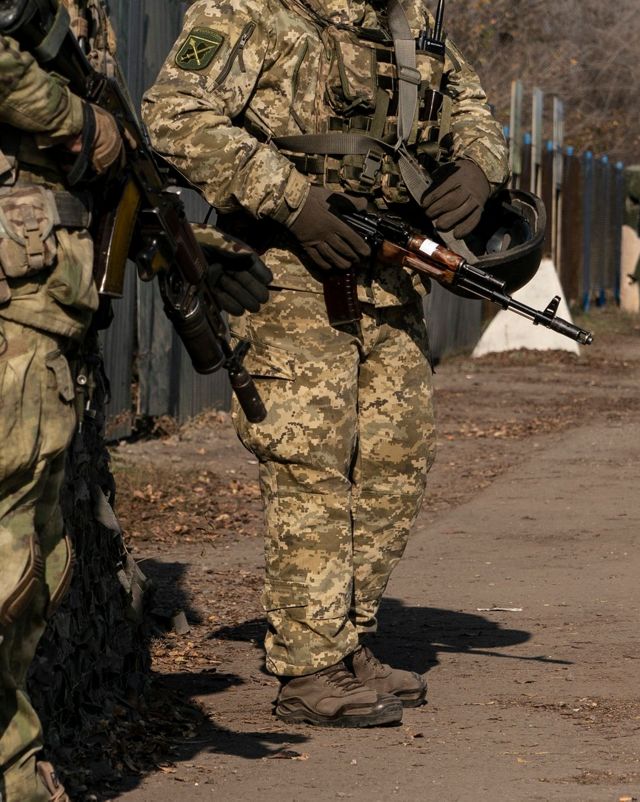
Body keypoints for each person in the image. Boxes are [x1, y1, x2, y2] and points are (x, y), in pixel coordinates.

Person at [142, 0, 509, 728]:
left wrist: (478, 165)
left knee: (394, 460)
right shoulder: (252, 8)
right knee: (309, 463)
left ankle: (346, 640)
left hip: (389, 266)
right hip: (286, 270)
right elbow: (174, 115)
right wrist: (295, 201)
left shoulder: (409, 20)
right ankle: (309, 668)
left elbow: (469, 105)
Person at [0, 1, 273, 798]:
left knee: (34, 558)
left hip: (47, 303)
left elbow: (110, 166)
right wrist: (82, 121)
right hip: (18, 301)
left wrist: (184, 241)